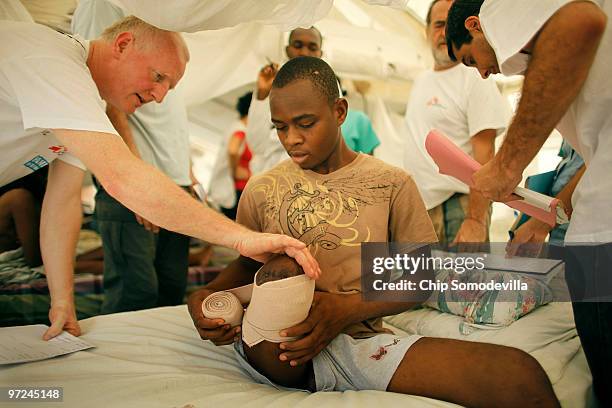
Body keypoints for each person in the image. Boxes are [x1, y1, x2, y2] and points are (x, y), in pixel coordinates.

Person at [188, 56, 560, 407]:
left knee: (518, 375)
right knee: (284, 268)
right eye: (280, 127)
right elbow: (245, 265)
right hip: (278, 345)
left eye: (305, 123)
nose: (291, 139)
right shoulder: (262, 189)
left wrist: (346, 310)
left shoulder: (390, 184)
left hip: (355, 340)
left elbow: (422, 276)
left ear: (339, 112)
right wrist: (202, 297)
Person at [0, 17, 320, 340]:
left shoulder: (88, 101)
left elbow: (62, 201)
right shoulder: (52, 61)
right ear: (123, 44)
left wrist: (62, 301)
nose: (160, 96)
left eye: (169, 86)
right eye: (158, 77)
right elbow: (120, 177)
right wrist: (243, 238)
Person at [445, 0, 610, 404]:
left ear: (477, 24)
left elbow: (579, 20)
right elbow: (598, 155)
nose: (484, 73)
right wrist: (547, 216)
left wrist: (506, 165)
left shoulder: (504, 7)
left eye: (471, 59)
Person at [72, 0, 195, 313]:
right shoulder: (104, 4)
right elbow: (103, 85)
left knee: (170, 293)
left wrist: (187, 172)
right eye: (158, 80)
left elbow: (172, 114)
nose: (159, 94)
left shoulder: (165, 20)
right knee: (135, 295)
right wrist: (135, 179)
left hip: (174, 183)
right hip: (138, 182)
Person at [403, 0, 510, 244]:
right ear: (427, 30)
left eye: (449, 25)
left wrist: (475, 219)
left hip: (459, 205)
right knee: (427, 282)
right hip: (422, 207)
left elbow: (485, 153)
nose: (444, 33)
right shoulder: (421, 81)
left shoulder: (476, 77)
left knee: (463, 282)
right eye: (438, 24)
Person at [246, 26, 380, 174]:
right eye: (298, 46)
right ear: (287, 50)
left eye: (312, 47)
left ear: (320, 53)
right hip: (276, 179)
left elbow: (330, 143)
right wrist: (263, 95)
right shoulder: (273, 85)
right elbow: (257, 144)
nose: (304, 52)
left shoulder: (328, 85)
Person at [223, 91, 253, 220]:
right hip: (237, 191)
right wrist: (234, 171)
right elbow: (232, 150)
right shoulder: (241, 129)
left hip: (239, 190)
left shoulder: (237, 126)